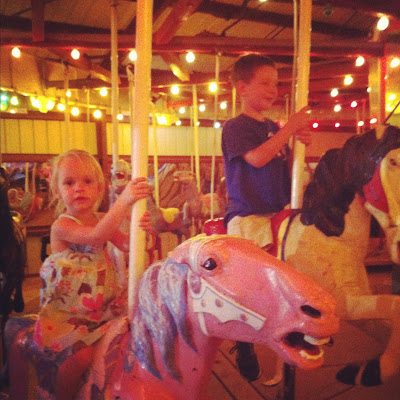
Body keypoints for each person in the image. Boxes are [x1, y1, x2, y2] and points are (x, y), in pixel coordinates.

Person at [33, 149, 151, 399]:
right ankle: (61, 394)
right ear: (57, 191)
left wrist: (143, 232)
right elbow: (97, 236)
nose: (79, 188)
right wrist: (124, 201)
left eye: (87, 181)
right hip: (69, 314)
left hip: (103, 305)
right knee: (82, 357)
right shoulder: (62, 225)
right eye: (69, 182)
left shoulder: (102, 218)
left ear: (99, 188)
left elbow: (128, 245)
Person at [222, 54, 312, 382]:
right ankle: (243, 340)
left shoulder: (273, 128)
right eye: (264, 83)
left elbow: (285, 168)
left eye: (276, 83)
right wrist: (290, 129)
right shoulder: (236, 127)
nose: (273, 89)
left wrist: (299, 147)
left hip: (279, 212)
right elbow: (258, 159)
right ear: (242, 88)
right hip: (248, 213)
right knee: (251, 281)